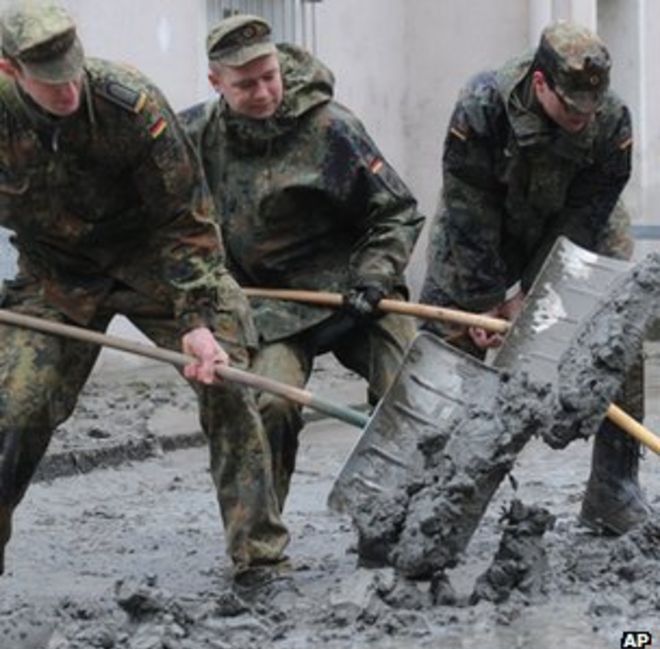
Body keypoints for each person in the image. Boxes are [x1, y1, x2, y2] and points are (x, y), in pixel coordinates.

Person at [0, 1, 289, 577]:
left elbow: (186, 220)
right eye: (49, 82)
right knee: (15, 411)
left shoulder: (128, 103)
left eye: (71, 72)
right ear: (9, 71)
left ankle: (259, 558)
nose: (68, 91)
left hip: (156, 262)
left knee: (227, 382)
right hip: (57, 276)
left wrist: (199, 323)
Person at [180, 15, 424, 511]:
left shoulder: (330, 128)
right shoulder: (197, 137)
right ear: (215, 83)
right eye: (245, 84)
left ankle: (402, 511)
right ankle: (263, 540)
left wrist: (375, 277)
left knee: (409, 392)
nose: (264, 92)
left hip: (356, 294)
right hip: (273, 308)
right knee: (268, 403)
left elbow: (397, 213)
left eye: (269, 76)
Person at [420, 20, 650, 535]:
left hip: (573, 224)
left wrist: (540, 294)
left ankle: (613, 489)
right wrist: (486, 298)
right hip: (484, 226)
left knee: (619, 334)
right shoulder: (483, 105)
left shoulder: (611, 121)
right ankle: (419, 495)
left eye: (590, 107)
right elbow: (467, 203)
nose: (582, 119)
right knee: (447, 342)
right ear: (541, 83)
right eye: (571, 108)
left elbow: (588, 215)